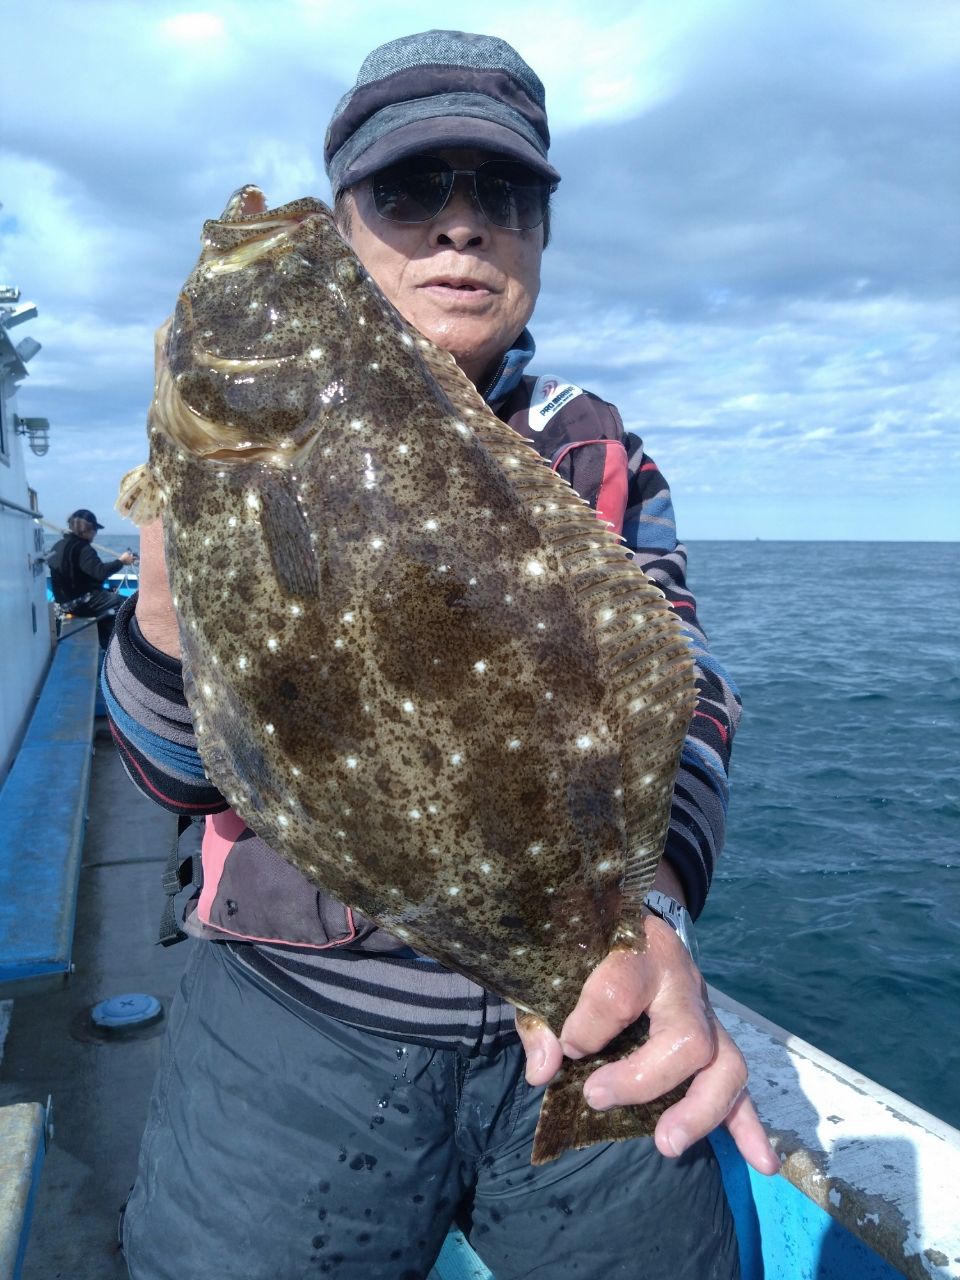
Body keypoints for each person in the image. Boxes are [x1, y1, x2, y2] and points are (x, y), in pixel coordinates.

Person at [104, 29, 779, 1280]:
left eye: (503, 195)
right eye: (413, 192)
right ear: (350, 222)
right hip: (295, 1022)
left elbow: (685, 697)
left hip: (579, 1007)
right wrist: (157, 634)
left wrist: (649, 914)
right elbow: (180, 772)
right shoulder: (230, 453)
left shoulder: (593, 450)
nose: (462, 228)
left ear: (538, 233)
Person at [47, 508, 136, 648]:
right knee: (121, 603)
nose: (95, 534)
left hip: (65, 604)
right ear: (90, 530)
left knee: (106, 598)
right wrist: (122, 561)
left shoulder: (57, 546)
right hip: (80, 604)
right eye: (95, 530)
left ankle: (104, 639)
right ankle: (114, 645)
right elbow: (100, 572)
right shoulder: (83, 549)